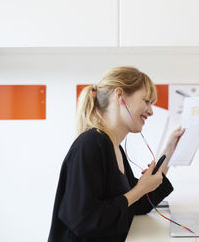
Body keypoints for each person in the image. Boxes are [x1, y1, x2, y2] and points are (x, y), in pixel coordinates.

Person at [48, 67, 185, 242]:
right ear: (119, 95)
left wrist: (169, 151)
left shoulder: (113, 147)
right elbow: (85, 221)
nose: (151, 111)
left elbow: (138, 204)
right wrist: (140, 188)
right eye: (146, 101)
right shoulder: (90, 145)